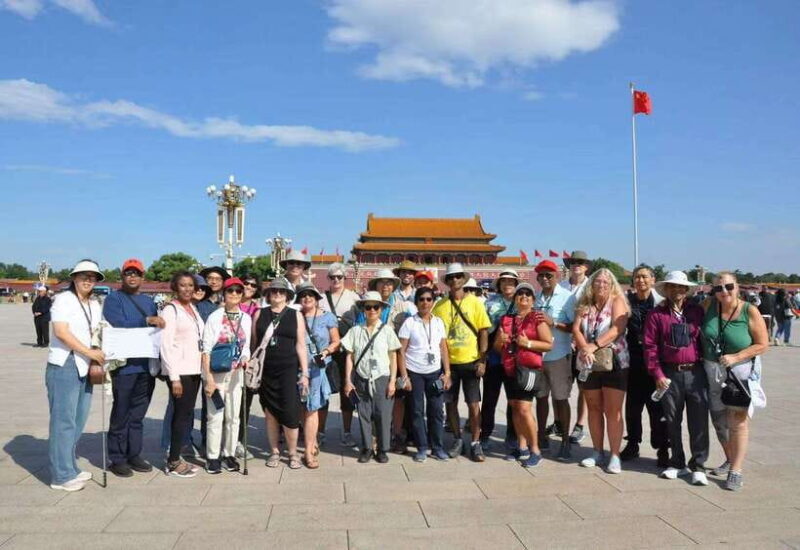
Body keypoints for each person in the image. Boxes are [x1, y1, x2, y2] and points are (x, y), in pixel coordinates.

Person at [702, 272, 769, 491]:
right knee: (718, 418)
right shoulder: (707, 305)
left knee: (737, 419)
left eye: (728, 286)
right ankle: (730, 457)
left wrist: (736, 357)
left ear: (737, 286)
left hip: (740, 370)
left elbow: (762, 344)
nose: (724, 292)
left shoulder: (750, 311)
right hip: (712, 369)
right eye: (718, 288)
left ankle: (736, 470)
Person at [643, 271, 709, 485]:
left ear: (686, 289)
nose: (677, 290)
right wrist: (657, 373)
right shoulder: (657, 314)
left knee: (698, 420)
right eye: (672, 286)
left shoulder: (696, 311)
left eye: (681, 287)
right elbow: (650, 347)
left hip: (695, 372)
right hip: (670, 373)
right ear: (667, 289)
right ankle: (677, 462)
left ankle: (698, 465)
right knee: (672, 420)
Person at [46, 259, 105, 491]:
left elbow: (99, 330)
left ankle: (70, 467)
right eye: (84, 275)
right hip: (65, 364)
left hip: (85, 364)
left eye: (92, 276)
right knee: (63, 422)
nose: (88, 280)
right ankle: (60, 476)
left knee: (78, 420)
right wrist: (89, 351)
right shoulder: (63, 299)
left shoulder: (95, 303)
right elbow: (61, 332)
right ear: (74, 277)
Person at [102, 258, 164, 477]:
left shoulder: (148, 301)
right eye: (128, 273)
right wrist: (147, 320)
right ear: (122, 276)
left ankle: (134, 454)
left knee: (138, 415)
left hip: (145, 367)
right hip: (125, 367)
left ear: (142, 276)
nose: (132, 277)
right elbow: (118, 324)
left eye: (136, 273)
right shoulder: (113, 299)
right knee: (121, 413)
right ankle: (117, 457)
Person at [351, 268, 415, 453]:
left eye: (389, 282)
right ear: (376, 285)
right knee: (370, 402)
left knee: (396, 401)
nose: (386, 285)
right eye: (382, 282)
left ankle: (395, 435)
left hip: (394, 360)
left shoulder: (402, 306)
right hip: (370, 362)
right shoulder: (365, 307)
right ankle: (373, 439)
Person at [572, 268, 630, 474]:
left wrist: (593, 346)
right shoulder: (585, 303)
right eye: (598, 281)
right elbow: (576, 329)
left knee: (612, 411)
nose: (601, 285)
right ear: (592, 284)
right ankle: (597, 451)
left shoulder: (617, 301)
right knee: (594, 407)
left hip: (613, 361)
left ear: (612, 284)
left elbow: (617, 328)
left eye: (606, 282)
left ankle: (615, 454)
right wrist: (584, 348)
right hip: (588, 362)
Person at [433, 263, 492, 462]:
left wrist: (482, 360)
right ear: (447, 281)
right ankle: (458, 438)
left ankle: (475, 442)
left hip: (471, 360)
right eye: (451, 277)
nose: (454, 280)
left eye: (458, 276)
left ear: (463, 279)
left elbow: (484, 331)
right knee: (450, 403)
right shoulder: (440, 306)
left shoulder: (475, 303)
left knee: (474, 404)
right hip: (449, 363)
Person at [252, 279, 309, 469]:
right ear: (268, 295)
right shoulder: (260, 314)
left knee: (290, 413)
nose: (277, 294)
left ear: (287, 295)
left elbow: (301, 345)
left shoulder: (296, 316)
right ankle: (274, 451)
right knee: (270, 413)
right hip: (266, 370)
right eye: (274, 291)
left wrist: (305, 373)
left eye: (281, 292)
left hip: (288, 369)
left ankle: (293, 453)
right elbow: (254, 344)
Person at [495, 283, 553, 467]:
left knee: (525, 409)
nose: (524, 296)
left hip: (528, 369)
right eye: (520, 293)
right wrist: (500, 340)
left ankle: (535, 449)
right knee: (515, 407)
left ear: (533, 300)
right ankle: (522, 446)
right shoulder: (506, 319)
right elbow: (497, 347)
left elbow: (548, 344)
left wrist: (527, 344)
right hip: (510, 368)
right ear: (515, 298)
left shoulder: (537, 318)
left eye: (528, 294)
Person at [341, 291, 402, 463]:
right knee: (364, 414)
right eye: (368, 307)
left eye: (376, 306)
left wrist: (392, 381)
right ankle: (367, 447)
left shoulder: (388, 330)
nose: (372, 310)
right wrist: (347, 380)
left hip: (382, 377)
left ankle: (382, 449)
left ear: (381, 309)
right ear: (363, 309)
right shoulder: (355, 331)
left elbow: (393, 356)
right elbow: (349, 357)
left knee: (383, 414)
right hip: (361, 377)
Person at [201, 277, 251, 474]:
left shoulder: (246, 318)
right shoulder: (215, 317)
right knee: (215, 416)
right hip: (216, 372)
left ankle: (229, 453)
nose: (235, 295)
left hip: (236, 372)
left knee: (233, 417)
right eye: (231, 291)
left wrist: (245, 357)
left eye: (238, 291)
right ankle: (212, 456)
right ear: (224, 293)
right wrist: (209, 379)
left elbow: (246, 345)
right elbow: (205, 350)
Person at [620, 265, 669, 467]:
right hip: (633, 362)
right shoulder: (626, 302)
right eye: (637, 277)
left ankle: (663, 448)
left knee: (658, 409)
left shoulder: (661, 304)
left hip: (656, 363)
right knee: (632, 408)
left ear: (652, 279)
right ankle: (633, 443)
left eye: (644, 277)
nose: (640, 280)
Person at [160, 271, 205, 478]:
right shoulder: (171, 310)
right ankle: (173, 460)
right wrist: (174, 377)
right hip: (181, 372)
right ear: (175, 287)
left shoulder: (192, 309)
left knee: (186, 414)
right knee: (180, 415)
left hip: (194, 369)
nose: (187, 289)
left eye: (190, 285)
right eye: (182, 285)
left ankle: (177, 455)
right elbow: (166, 345)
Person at [398, 287, 451, 462]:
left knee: (436, 411)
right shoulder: (409, 323)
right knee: (417, 411)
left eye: (429, 299)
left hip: (434, 372)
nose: (425, 303)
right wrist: (404, 376)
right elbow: (401, 351)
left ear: (433, 302)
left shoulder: (438, 322)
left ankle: (437, 447)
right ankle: (421, 447)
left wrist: (447, 372)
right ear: (416, 302)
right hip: (415, 372)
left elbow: (443, 348)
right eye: (421, 299)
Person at [533, 260, 576, 461]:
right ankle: (541, 436)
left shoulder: (567, 298)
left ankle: (566, 441)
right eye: (541, 275)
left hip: (559, 355)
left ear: (557, 276)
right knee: (541, 398)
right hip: (539, 356)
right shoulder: (536, 299)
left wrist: (554, 322)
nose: (544, 279)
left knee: (561, 399)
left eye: (548, 275)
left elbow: (575, 327)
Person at [295, 282, 340, 469]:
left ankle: (308, 447)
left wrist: (326, 351)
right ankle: (308, 439)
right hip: (297, 367)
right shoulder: (294, 316)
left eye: (310, 295)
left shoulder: (327, 317)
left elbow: (336, 341)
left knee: (313, 407)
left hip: (318, 368)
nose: (307, 298)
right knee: (300, 406)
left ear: (316, 298)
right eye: (303, 295)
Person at [318, 262, 360, 446]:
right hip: (327, 348)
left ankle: (347, 431)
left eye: (339, 277)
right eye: (332, 277)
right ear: (328, 278)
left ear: (345, 278)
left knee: (347, 389)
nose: (336, 280)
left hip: (346, 350)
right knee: (323, 391)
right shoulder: (321, 298)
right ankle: (320, 431)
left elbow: (359, 322)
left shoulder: (353, 297)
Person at [482, 269, 519, 450]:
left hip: (514, 358)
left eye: (511, 281)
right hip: (494, 358)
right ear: (499, 284)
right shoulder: (490, 303)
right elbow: (483, 330)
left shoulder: (522, 302)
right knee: (489, 399)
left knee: (513, 399)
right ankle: (485, 434)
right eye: (504, 281)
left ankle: (512, 435)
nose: (507, 285)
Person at [558, 250, 591, 444]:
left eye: (580, 262)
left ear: (586, 266)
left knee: (584, 386)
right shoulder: (561, 286)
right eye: (573, 262)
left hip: (583, 343)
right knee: (561, 387)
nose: (576, 265)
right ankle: (559, 422)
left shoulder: (591, 286)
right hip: (562, 343)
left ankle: (580, 425)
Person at [235, 274, 261, 460]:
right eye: (246, 283)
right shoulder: (229, 303)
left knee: (245, 403)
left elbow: (257, 337)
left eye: (253, 285)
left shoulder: (256, 309)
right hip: (227, 359)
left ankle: (239, 442)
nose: (249, 287)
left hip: (248, 360)